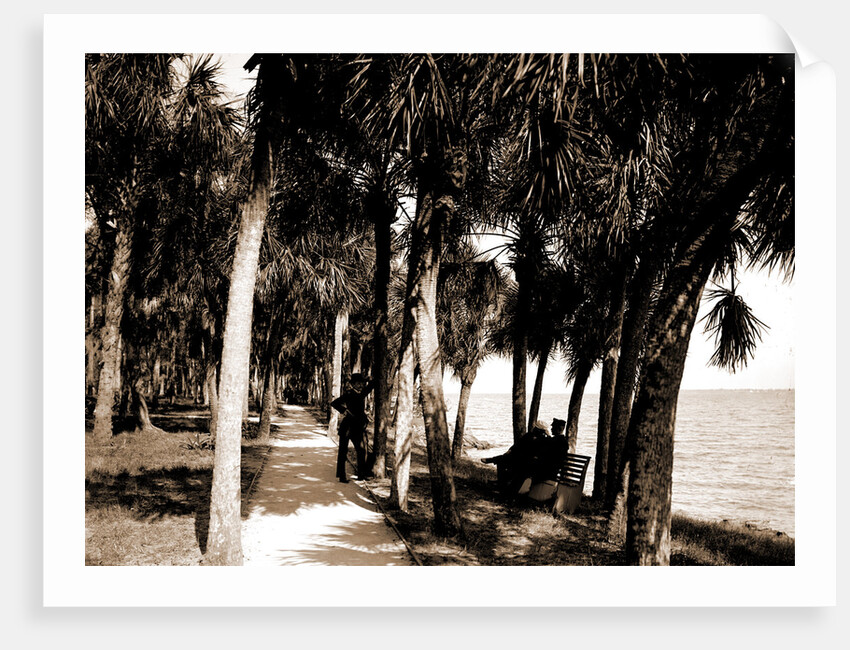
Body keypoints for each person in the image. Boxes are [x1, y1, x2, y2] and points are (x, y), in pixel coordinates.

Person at [483, 420, 551, 494]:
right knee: (503, 461)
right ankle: (501, 483)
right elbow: (517, 445)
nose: (534, 429)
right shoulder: (529, 435)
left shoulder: (544, 440)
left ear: (540, 430)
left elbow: (539, 454)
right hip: (521, 459)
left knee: (508, 460)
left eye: (536, 428)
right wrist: (510, 450)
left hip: (528, 463)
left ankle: (493, 461)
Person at [331, 373, 374, 483]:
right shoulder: (348, 394)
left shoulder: (362, 394)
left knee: (361, 451)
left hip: (358, 428)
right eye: (358, 383)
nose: (360, 385)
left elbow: (371, 386)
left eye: (361, 383)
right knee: (343, 452)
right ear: (353, 384)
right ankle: (342, 476)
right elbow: (334, 403)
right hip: (347, 427)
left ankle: (361, 475)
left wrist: (369, 379)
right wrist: (344, 411)